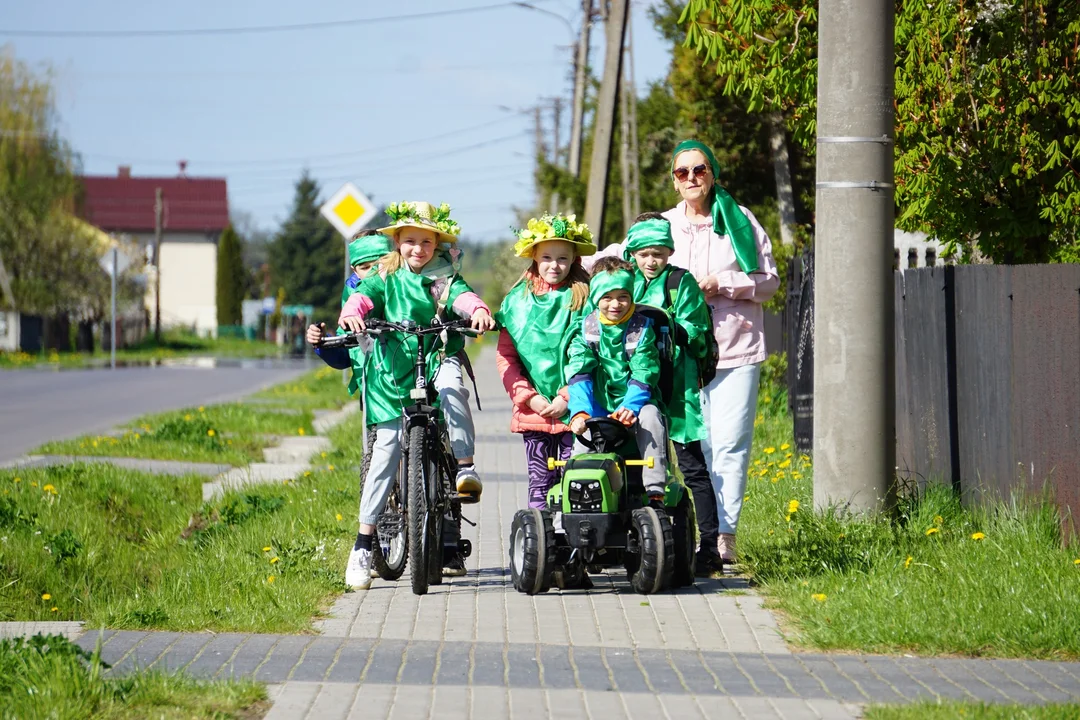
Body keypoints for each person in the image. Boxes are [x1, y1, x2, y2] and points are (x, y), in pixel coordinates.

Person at [585, 140, 779, 566]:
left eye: (700, 169)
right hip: (668, 365)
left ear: (713, 172)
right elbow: (609, 262)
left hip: (731, 347)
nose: (691, 179)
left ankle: (722, 537)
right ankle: (660, 531)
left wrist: (723, 283)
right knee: (678, 444)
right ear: (674, 180)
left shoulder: (739, 221)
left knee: (726, 446)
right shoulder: (662, 225)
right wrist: (560, 263)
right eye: (681, 172)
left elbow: (768, 281)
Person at [337, 201, 496, 590]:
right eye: (410, 241)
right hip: (393, 370)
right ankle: (363, 543)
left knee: (451, 387)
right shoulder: (384, 273)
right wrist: (352, 313)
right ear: (397, 243)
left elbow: (463, 298)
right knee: (386, 451)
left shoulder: (442, 275)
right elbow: (364, 296)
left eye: (426, 242)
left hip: (436, 354)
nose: (418, 249)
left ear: (437, 244)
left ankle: (464, 466)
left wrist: (477, 311)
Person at [622, 214, 722, 574]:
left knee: (692, 466)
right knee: (635, 462)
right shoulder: (624, 282)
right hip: (635, 388)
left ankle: (709, 548)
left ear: (669, 253)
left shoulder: (682, 283)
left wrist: (663, 321)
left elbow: (696, 334)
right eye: (645, 254)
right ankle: (638, 541)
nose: (652, 261)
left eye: (659, 254)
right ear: (632, 253)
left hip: (676, 389)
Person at [494, 214, 595, 509]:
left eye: (563, 258)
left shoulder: (585, 299)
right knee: (540, 481)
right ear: (535, 258)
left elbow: (592, 352)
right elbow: (507, 357)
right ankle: (542, 543)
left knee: (574, 480)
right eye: (547, 257)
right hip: (534, 412)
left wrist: (568, 396)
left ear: (575, 259)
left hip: (574, 410)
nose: (554, 265)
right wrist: (528, 397)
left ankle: (572, 544)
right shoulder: (516, 301)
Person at [565, 257, 670, 499]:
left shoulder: (641, 329)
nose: (616, 304)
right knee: (582, 436)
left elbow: (645, 371)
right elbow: (579, 373)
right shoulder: (586, 329)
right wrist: (580, 412)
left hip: (637, 400)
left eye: (623, 296)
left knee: (652, 417)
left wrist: (630, 406)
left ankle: (655, 488)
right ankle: (568, 508)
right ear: (596, 298)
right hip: (598, 402)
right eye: (607, 297)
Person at [305, 231, 394, 396]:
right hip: (376, 393)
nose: (373, 273)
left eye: (379, 265)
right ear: (354, 270)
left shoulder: (406, 286)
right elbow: (344, 357)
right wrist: (322, 343)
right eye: (365, 267)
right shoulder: (352, 294)